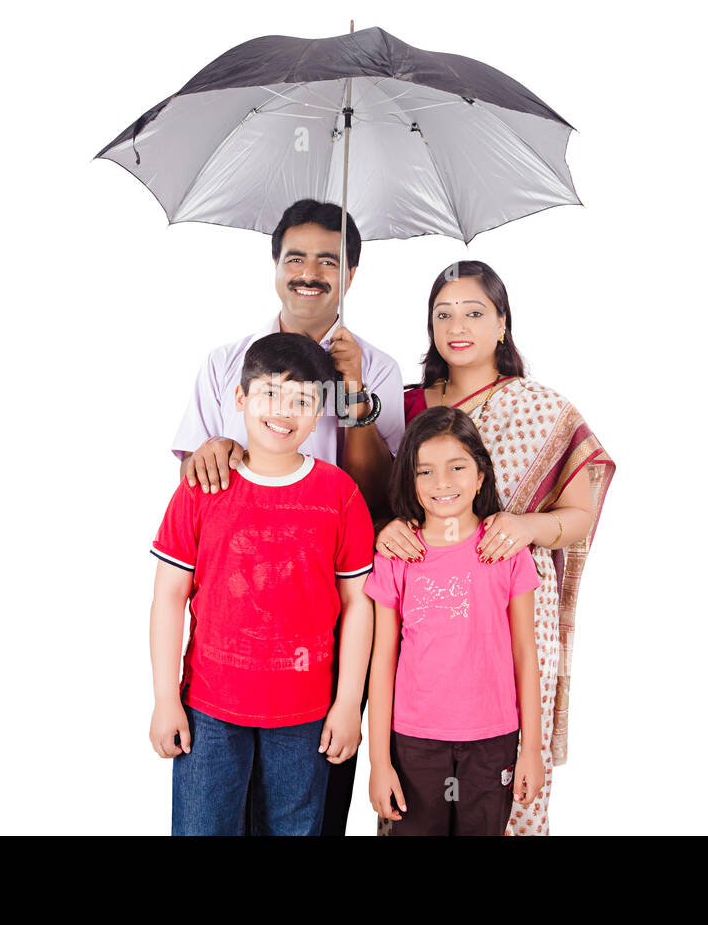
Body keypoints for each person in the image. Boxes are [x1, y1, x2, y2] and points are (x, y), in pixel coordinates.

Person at [171, 198, 404, 835]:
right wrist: (212, 449)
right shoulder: (226, 361)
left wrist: (353, 400)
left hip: (325, 614)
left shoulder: (376, 366)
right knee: (219, 801)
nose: (310, 272)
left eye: (329, 261)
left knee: (309, 806)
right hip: (234, 628)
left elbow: (378, 495)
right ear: (275, 265)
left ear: (350, 275)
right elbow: (197, 490)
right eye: (295, 257)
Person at [375, 260, 617, 836]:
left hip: (509, 606)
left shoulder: (542, 409)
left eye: (475, 312)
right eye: (443, 313)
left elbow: (579, 515)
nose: (458, 325)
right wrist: (384, 528)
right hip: (421, 619)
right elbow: (377, 493)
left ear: (503, 324)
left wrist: (529, 527)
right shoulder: (403, 402)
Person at [149, 332, 376, 835]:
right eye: (270, 393)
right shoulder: (203, 487)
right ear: (240, 399)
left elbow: (359, 603)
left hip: (306, 714)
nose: (283, 410)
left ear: (319, 414)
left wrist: (346, 702)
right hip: (209, 706)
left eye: (302, 400)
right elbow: (168, 596)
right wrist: (166, 698)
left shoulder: (339, 495)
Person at [365, 406, 544, 835]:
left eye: (457, 467)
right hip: (413, 742)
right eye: (424, 472)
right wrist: (379, 762)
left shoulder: (506, 552)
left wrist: (531, 750)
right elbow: (382, 661)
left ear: (480, 475)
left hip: (492, 739)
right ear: (409, 479)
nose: (442, 483)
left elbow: (525, 652)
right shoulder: (396, 556)